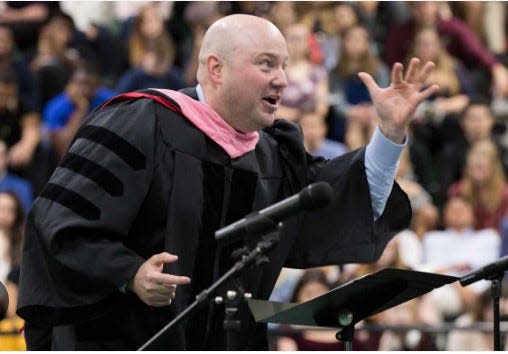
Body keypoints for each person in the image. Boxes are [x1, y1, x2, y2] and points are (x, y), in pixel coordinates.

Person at [16, 14, 439, 350]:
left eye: (285, 66)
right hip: (126, 341)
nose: (283, 80)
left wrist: (387, 134)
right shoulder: (141, 122)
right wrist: (130, 273)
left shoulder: (272, 152)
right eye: (267, 64)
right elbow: (60, 221)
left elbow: (333, 206)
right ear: (216, 68)